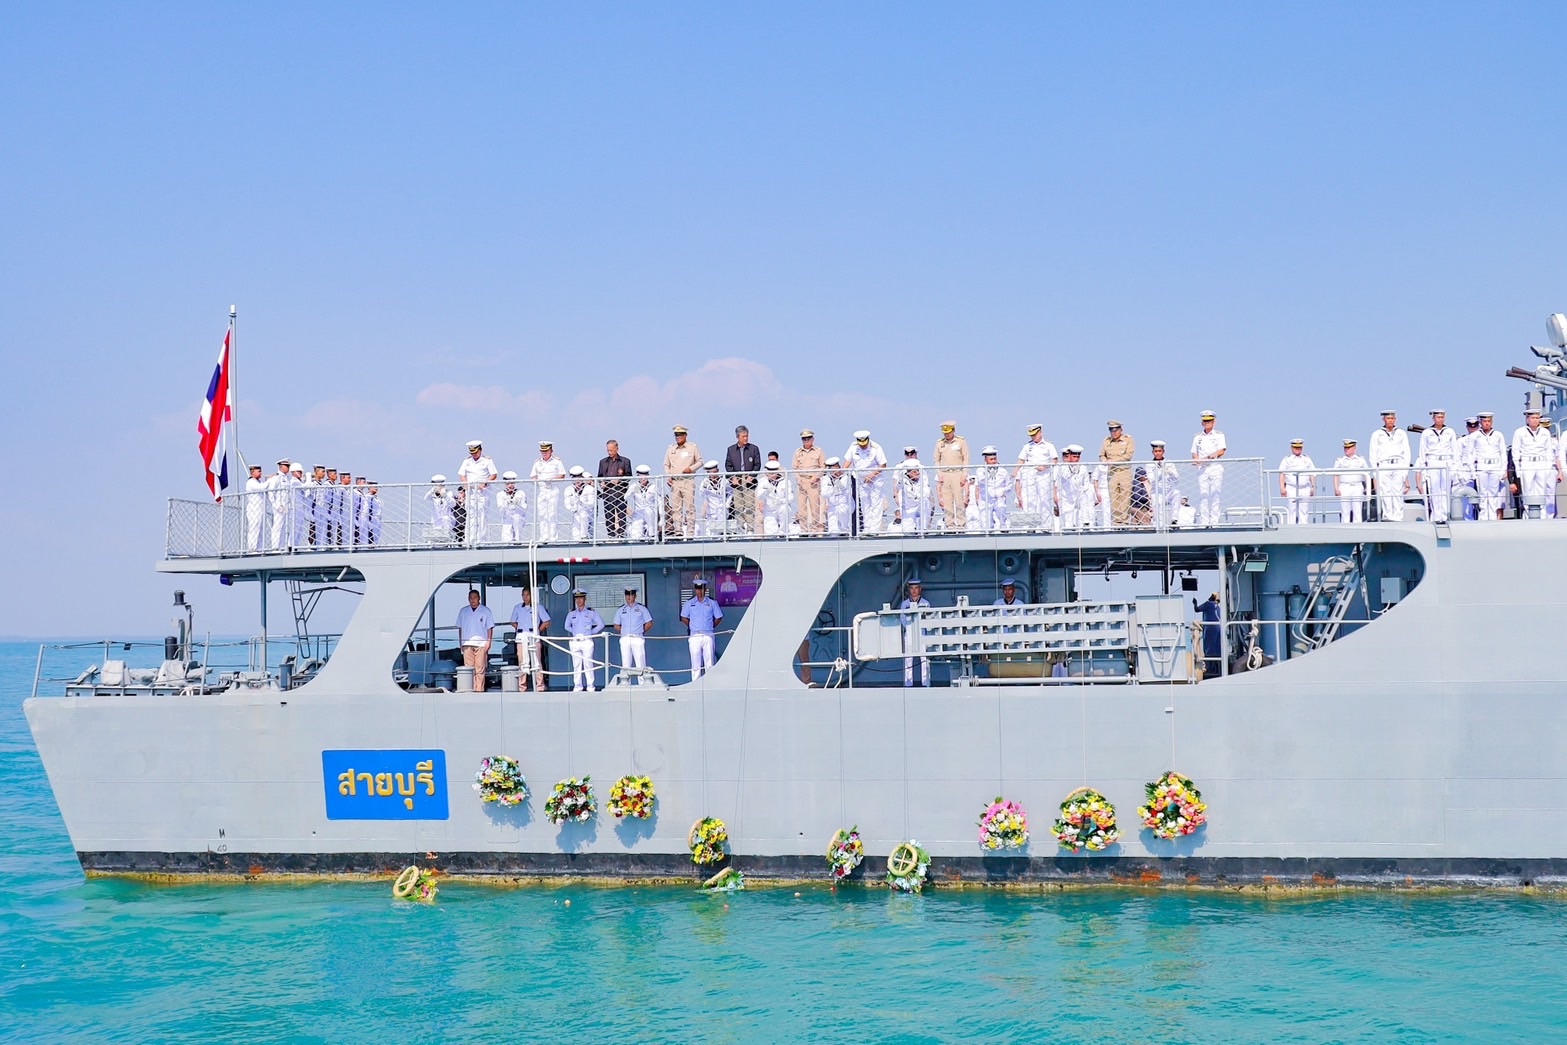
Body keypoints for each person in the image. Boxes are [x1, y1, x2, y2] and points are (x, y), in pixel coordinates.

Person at [1512, 408, 1559, 518]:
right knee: (1528, 491)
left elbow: (1548, 452)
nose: (1535, 420)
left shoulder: (1545, 432)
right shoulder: (1520, 432)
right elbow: (1516, 452)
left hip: (1541, 463)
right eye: (1533, 418)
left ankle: (1542, 516)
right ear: (1527, 419)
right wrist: (1518, 470)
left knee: (1541, 491)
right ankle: (1528, 515)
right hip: (1527, 463)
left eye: (1537, 418)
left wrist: (1547, 468)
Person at [1414, 410, 1458, 524]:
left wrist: (1454, 467)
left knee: (1445, 490)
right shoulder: (1427, 432)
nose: (1440, 419)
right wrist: (1424, 469)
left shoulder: (1450, 431)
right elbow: (1422, 451)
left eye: (1442, 417)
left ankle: (1445, 515)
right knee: (1434, 490)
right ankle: (1436, 516)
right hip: (1433, 461)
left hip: (1446, 461)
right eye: (1438, 417)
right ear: (1433, 418)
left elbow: (1455, 450)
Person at [1369, 410, 1411, 521]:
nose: (1390, 421)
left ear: (1395, 419)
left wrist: (1405, 470)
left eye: (1392, 418)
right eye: (1388, 418)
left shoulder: (1401, 433)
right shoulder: (1377, 434)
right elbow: (1373, 454)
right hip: (1384, 464)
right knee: (1386, 492)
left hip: (1398, 464)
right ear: (1383, 419)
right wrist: (1376, 471)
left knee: (1397, 491)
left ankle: (1398, 516)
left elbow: (1406, 452)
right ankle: (1388, 515)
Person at [844, 431, 888, 533]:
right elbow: (847, 462)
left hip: (875, 479)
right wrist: (842, 472)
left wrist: (872, 475)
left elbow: (883, 464)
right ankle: (867, 527)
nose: (862, 446)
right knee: (865, 503)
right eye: (860, 443)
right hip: (861, 480)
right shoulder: (853, 447)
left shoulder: (876, 447)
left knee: (875, 503)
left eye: (864, 443)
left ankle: (875, 529)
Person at [680, 577, 724, 680]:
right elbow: (683, 617)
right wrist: (691, 626)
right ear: (695, 589)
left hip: (708, 634)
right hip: (695, 635)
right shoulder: (689, 603)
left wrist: (711, 626)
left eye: (701, 589)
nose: (699, 591)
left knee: (709, 662)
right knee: (695, 663)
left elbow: (719, 617)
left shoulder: (712, 603)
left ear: (705, 589)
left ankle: (710, 682)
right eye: (697, 589)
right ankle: (696, 683)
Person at [663, 425, 702, 537]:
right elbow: (666, 464)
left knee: (689, 507)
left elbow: (700, 461)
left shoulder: (692, 447)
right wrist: (668, 475)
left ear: (685, 435)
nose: (678, 437)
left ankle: (690, 532)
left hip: (688, 480)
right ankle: (678, 531)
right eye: (676, 435)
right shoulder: (671, 449)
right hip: (675, 482)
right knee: (676, 508)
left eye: (680, 435)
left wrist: (691, 468)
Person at [509, 586, 551, 691]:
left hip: (534, 636)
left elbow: (546, 621)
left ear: (531, 596)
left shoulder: (538, 607)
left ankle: (540, 685)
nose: (525, 597)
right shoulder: (517, 607)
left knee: (537, 661)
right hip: (521, 637)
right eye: (523, 595)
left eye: (527, 595)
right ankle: (522, 686)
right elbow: (513, 621)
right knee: (522, 662)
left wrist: (537, 630)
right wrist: (520, 628)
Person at [1014, 424, 1057, 524]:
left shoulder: (1048, 445)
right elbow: (1021, 459)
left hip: (1044, 474)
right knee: (1030, 499)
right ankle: (1030, 524)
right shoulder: (1027, 446)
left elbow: (1054, 459)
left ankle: (1046, 525)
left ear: (1040, 432)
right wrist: (1015, 471)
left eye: (1034, 435)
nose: (1033, 437)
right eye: (1031, 435)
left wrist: (1044, 466)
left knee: (1044, 500)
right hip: (1030, 474)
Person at [1190, 411, 1227, 526]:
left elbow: (1222, 450)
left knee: (1215, 494)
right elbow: (1194, 452)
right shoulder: (1197, 437)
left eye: (1209, 421)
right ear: (1202, 423)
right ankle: (1204, 521)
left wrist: (1210, 456)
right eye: (1205, 421)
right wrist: (1197, 460)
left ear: (1214, 422)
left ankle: (1214, 521)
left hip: (1215, 466)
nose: (1207, 423)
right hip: (1202, 469)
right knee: (1203, 495)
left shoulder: (1219, 435)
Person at [932, 421, 970, 531]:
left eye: (948, 432)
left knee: (959, 500)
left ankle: (961, 524)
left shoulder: (961, 441)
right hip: (945, 474)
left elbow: (965, 458)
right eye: (944, 433)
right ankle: (950, 525)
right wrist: (939, 473)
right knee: (947, 501)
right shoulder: (939, 443)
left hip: (957, 473)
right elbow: (936, 459)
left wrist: (964, 474)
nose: (946, 435)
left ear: (953, 431)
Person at [563, 589, 604, 691]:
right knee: (576, 665)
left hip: (586, 641)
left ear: (585, 599)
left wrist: (590, 632)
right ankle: (578, 686)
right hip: (576, 641)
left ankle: (590, 686)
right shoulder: (572, 613)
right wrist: (575, 632)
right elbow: (566, 626)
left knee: (588, 664)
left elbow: (600, 624)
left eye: (580, 598)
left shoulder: (591, 612)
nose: (578, 600)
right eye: (577, 598)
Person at [725, 425, 763, 533]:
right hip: (737, 481)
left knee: (750, 506)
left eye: (747, 436)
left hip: (749, 480)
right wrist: (732, 478)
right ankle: (740, 528)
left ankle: (750, 529)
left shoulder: (754, 448)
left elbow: (757, 464)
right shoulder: (731, 449)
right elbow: (728, 465)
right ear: (738, 437)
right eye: (743, 436)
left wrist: (752, 475)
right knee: (738, 507)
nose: (745, 438)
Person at [1098, 420, 1136, 526]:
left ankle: (1124, 521)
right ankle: (1116, 522)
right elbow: (1101, 455)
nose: (1113, 432)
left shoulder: (1128, 439)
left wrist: (1114, 461)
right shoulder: (1106, 441)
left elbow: (1128, 455)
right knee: (1114, 497)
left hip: (1124, 471)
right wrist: (1105, 461)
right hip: (1112, 472)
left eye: (1116, 430)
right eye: (1111, 430)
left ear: (1121, 430)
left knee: (1125, 497)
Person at [456, 589, 494, 692]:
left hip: (481, 643)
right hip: (467, 643)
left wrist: (488, 641)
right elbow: (460, 628)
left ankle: (479, 690)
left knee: (480, 669)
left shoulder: (486, 611)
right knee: (469, 669)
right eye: (471, 598)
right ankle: (471, 689)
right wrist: (461, 642)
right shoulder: (463, 611)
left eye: (475, 598)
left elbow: (489, 628)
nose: (473, 600)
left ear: (479, 598)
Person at [1471, 412, 1507, 520]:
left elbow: (1503, 452)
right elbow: (1470, 454)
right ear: (1480, 422)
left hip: (1495, 466)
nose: (1487, 423)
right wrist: (1473, 471)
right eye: (1484, 421)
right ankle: (1483, 517)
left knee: (1493, 493)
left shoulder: (1498, 435)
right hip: (1482, 466)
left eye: (1489, 421)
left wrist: (1503, 469)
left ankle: (1492, 516)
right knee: (1482, 494)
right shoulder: (1475, 436)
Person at [1053, 445, 1097, 530]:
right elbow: (1055, 482)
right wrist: (1055, 495)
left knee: (1080, 519)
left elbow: (1086, 484)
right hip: (1066, 497)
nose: (1076, 459)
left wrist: (1082, 494)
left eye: (1078, 457)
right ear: (1069, 456)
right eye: (1074, 457)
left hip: (1079, 497)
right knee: (1067, 521)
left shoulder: (1083, 468)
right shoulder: (1061, 468)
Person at [530, 440, 566, 541]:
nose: (544, 453)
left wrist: (551, 479)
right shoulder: (537, 463)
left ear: (551, 451)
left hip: (552, 489)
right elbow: (533, 475)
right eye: (542, 451)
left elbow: (562, 475)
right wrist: (536, 481)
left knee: (552, 513)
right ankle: (544, 536)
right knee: (542, 514)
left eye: (546, 451)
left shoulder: (557, 462)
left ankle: (553, 537)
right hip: (542, 490)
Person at [596, 439, 633, 539]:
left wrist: (619, 480)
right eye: (608, 450)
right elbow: (599, 476)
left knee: (621, 513)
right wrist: (601, 483)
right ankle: (611, 534)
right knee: (608, 514)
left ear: (617, 449)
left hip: (620, 492)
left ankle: (621, 533)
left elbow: (629, 476)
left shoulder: (625, 461)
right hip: (607, 492)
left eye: (611, 450)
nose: (609, 452)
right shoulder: (603, 462)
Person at [791, 429, 826, 534]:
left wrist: (816, 476)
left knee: (815, 507)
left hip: (813, 482)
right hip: (802, 481)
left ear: (812, 439)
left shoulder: (818, 451)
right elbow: (794, 467)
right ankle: (804, 530)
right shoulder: (797, 452)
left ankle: (814, 530)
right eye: (804, 439)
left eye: (808, 438)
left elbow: (823, 466)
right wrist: (798, 478)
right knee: (802, 508)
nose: (806, 440)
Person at [613, 587, 654, 675]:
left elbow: (649, 623)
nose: (629, 597)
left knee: (640, 664)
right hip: (625, 638)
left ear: (635, 596)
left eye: (631, 595)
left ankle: (642, 682)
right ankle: (625, 683)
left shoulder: (642, 608)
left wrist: (641, 631)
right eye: (627, 595)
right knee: (625, 664)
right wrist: (624, 631)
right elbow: (616, 625)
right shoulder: (620, 610)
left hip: (637, 637)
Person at [899, 578, 931, 687]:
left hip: (922, 633)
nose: (914, 591)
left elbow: (928, 619)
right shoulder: (905, 604)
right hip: (909, 634)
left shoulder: (925, 603)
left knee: (924, 659)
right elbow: (902, 619)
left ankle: (925, 683)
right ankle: (908, 683)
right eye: (912, 588)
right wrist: (910, 627)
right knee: (908, 659)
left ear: (920, 589)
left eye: (916, 588)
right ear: (909, 589)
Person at [972, 446, 1012, 532]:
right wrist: (989, 473)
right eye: (991, 459)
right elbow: (980, 482)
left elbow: (1009, 485)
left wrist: (1003, 491)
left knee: (1001, 515)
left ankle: (1004, 530)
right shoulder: (980, 470)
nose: (993, 461)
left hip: (999, 498)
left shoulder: (1003, 471)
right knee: (986, 524)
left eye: (995, 459)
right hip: (985, 499)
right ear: (985, 459)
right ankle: (988, 535)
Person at [1278, 439, 1316, 525]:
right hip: (1292, 488)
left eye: (1299, 448)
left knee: (1304, 510)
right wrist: (1282, 488)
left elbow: (1312, 473)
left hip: (1305, 488)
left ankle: (1304, 528)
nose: (1297, 449)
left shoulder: (1307, 459)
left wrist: (1313, 487)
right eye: (1295, 448)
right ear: (1291, 448)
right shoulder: (1287, 460)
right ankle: (1292, 528)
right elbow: (1281, 474)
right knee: (1292, 510)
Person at [1332, 439, 1370, 523]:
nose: (1346, 450)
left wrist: (1367, 487)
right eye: (1345, 448)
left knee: (1357, 510)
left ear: (1354, 448)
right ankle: (1345, 527)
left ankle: (1358, 527)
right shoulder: (1340, 460)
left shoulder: (1360, 459)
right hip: (1344, 487)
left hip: (1357, 486)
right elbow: (1335, 475)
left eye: (1348, 448)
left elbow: (1366, 474)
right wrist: (1336, 488)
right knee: (1345, 510)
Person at [1146, 441, 1181, 530]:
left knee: (1177, 493)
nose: (1158, 453)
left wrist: (1170, 472)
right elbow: (1152, 480)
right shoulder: (1149, 465)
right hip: (1157, 492)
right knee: (1158, 508)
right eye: (1156, 451)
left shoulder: (1169, 463)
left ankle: (1174, 520)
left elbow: (1177, 480)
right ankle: (1159, 527)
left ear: (1163, 451)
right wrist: (1161, 471)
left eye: (1160, 451)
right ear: (1152, 452)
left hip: (1168, 491)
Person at [895, 460, 933, 533]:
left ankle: (923, 530)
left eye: (918, 471)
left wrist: (917, 496)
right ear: (908, 472)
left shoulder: (923, 476)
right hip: (908, 506)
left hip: (920, 503)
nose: (918, 473)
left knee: (925, 504)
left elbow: (926, 492)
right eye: (915, 471)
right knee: (907, 529)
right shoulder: (902, 478)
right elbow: (898, 488)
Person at [695, 460, 731, 537]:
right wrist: (704, 487)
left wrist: (727, 503)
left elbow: (730, 492)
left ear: (717, 470)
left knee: (722, 529)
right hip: (711, 510)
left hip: (722, 508)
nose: (713, 474)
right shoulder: (705, 482)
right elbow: (701, 494)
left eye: (714, 472)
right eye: (710, 473)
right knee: (710, 530)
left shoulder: (724, 481)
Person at [627, 464, 663, 540]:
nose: (643, 479)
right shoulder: (634, 486)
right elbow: (625, 497)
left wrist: (661, 517)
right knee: (635, 535)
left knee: (648, 512)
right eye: (641, 476)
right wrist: (631, 491)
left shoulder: (653, 487)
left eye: (645, 476)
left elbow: (660, 502)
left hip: (650, 511)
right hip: (638, 512)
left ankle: (652, 535)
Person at [758, 460, 794, 535]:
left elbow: (790, 497)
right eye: (770, 473)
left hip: (781, 507)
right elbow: (759, 496)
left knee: (784, 509)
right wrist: (766, 490)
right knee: (770, 533)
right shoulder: (762, 481)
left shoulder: (785, 481)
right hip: (769, 511)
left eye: (774, 473)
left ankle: (783, 532)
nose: (772, 475)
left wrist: (781, 500)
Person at [822, 457, 855, 535]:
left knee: (844, 525)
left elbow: (847, 492)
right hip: (832, 505)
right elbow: (824, 493)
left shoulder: (845, 477)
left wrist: (838, 484)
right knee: (833, 529)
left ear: (837, 466)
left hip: (844, 504)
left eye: (833, 468)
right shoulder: (826, 479)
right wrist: (833, 489)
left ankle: (845, 534)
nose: (832, 471)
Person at [266, 457, 293, 550]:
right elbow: (271, 492)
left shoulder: (287, 478)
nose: (288, 468)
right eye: (286, 466)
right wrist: (276, 505)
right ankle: (275, 547)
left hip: (286, 506)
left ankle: (281, 546)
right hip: (279, 506)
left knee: (284, 527)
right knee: (277, 527)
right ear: (281, 466)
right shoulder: (276, 477)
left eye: (288, 466)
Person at [1457, 417, 1481, 520]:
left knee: (1483, 496)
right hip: (1467, 470)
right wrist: (1460, 473)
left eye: (1475, 425)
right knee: (1467, 498)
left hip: (1480, 468)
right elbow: (1457, 458)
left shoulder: (1482, 439)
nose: (1473, 428)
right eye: (1470, 426)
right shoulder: (1462, 441)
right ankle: (1468, 519)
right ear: (1467, 427)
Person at [565, 466, 597, 542]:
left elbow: (592, 504)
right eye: (575, 478)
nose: (577, 480)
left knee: (583, 514)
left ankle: (584, 536)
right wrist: (572, 508)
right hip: (575, 514)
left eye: (579, 478)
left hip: (588, 514)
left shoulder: (589, 489)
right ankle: (578, 540)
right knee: (576, 532)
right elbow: (567, 503)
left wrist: (582, 504)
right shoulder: (569, 489)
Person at [496, 471, 528, 543]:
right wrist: (506, 502)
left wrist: (517, 504)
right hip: (507, 518)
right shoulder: (500, 494)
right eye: (508, 484)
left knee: (518, 537)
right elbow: (500, 509)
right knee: (506, 538)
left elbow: (524, 507)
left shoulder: (521, 493)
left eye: (512, 483)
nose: (510, 486)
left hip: (518, 518)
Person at [1195, 592, 1222, 676]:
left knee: (1208, 649)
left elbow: (1197, 609)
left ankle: (1208, 670)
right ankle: (1218, 669)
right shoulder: (1218, 608)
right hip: (1218, 630)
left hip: (1210, 630)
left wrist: (1195, 602)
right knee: (1217, 649)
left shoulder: (1208, 604)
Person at [243, 463, 267, 552]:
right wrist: (271, 480)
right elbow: (261, 487)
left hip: (260, 508)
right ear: (252, 472)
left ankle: (259, 547)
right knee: (254, 528)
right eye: (259, 471)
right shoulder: (251, 482)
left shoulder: (258, 482)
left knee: (260, 529)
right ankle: (252, 548)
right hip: (253, 509)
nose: (261, 473)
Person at [426, 475, 453, 543]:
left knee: (447, 538)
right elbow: (426, 498)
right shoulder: (432, 494)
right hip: (436, 520)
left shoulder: (448, 493)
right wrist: (432, 491)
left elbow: (453, 504)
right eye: (435, 485)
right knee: (436, 538)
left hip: (446, 520)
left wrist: (445, 496)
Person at [289, 462, 311, 548]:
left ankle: (296, 545)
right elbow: (305, 486)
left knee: (299, 528)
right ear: (294, 472)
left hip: (300, 507)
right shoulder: (294, 482)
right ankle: (291, 545)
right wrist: (308, 477)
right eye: (299, 471)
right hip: (295, 508)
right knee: (295, 528)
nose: (301, 473)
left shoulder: (299, 481)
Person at [361, 480, 381, 546]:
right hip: (371, 520)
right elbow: (367, 509)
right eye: (374, 487)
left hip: (377, 520)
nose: (376, 488)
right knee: (370, 538)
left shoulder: (376, 498)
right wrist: (369, 521)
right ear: (369, 487)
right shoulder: (367, 497)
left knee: (376, 537)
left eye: (376, 487)